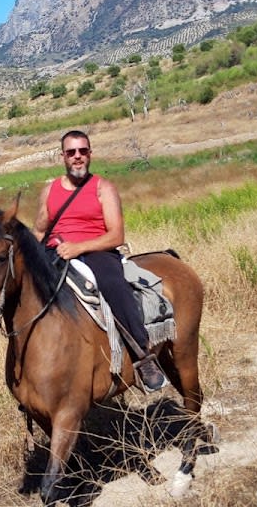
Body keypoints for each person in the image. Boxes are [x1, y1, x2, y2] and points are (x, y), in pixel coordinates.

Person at [33, 130, 168, 393]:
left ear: (90, 154)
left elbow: (116, 235)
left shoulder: (103, 188)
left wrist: (78, 247)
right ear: (63, 156)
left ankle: (143, 356)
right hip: (56, 252)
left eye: (83, 151)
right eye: (71, 152)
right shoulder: (49, 190)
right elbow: (39, 231)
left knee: (113, 284)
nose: (77, 157)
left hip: (97, 251)